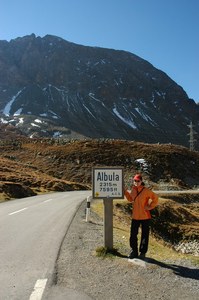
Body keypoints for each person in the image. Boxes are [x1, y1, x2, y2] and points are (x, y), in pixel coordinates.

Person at [124, 174, 158, 259]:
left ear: (141, 181)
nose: (136, 182)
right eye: (135, 181)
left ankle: (142, 253)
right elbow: (130, 199)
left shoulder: (146, 191)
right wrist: (125, 192)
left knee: (144, 235)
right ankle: (134, 251)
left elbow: (155, 198)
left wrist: (149, 206)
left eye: (138, 181)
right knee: (133, 235)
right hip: (135, 216)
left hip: (145, 217)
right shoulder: (133, 190)